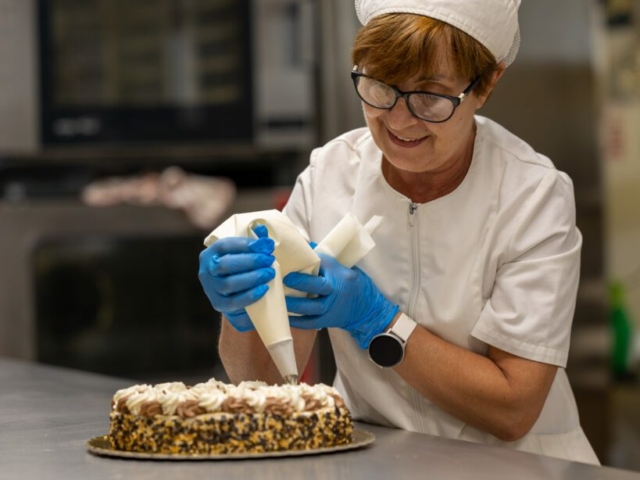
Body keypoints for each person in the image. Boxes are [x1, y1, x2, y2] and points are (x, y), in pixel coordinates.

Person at [198, 0, 599, 464]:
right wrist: (244, 309)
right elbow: (267, 387)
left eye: (430, 96)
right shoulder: (330, 175)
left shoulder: (531, 196)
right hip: (373, 461)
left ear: (488, 82)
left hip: (518, 468)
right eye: (379, 86)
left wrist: (378, 321)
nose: (398, 120)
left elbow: (513, 407)